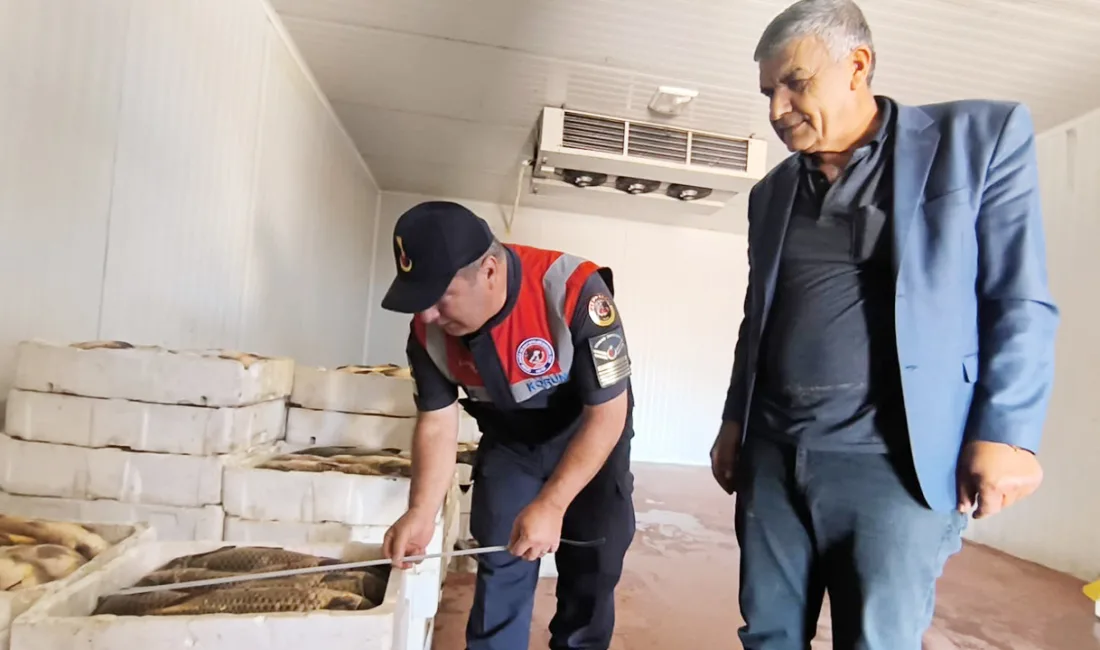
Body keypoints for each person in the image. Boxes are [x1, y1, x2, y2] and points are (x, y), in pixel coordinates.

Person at [709, 1, 1060, 648]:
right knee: (766, 636)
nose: (776, 108)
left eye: (795, 83)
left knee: (875, 641)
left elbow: (1016, 297)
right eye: (768, 91)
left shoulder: (977, 140)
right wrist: (735, 422)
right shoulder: (772, 193)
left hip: (893, 465)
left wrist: (1009, 430)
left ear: (857, 66)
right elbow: (758, 314)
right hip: (775, 457)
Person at [378, 200, 636, 650]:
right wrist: (421, 511)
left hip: (589, 435)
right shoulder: (427, 331)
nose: (427, 317)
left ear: (490, 271)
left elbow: (609, 412)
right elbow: (438, 423)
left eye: (440, 299)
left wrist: (554, 504)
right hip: (511, 442)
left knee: (592, 568)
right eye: (420, 302)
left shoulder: (573, 291)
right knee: (502, 560)